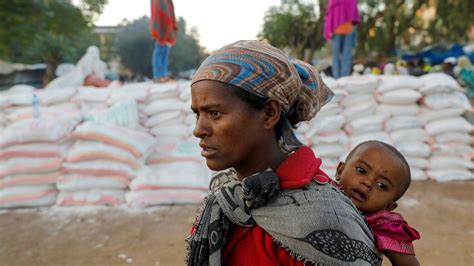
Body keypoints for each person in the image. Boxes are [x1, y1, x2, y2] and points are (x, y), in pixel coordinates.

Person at [186, 40, 382, 265]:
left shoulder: (321, 216)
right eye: (197, 115)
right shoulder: (228, 196)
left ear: (269, 113)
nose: (198, 130)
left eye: (215, 113)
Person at [336, 140, 421, 265]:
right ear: (340, 171)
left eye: (382, 185)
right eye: (361, 170)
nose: (368, 182)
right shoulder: (320, 192)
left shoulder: (382, 224)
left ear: (389, 206)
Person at [324, 0, 360, 79]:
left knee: (345, 54)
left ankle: (344, 76)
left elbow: (354, 12)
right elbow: (330, 13)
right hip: (337, 30)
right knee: (338, 54)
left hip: (347, 30)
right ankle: (338, 77)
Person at [150, 0, 178, 82]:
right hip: (160, 27)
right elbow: (155, 14)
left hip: (167, 28)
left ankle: (164, 75)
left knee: (165, 52)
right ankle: (158, 76)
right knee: (159, 52)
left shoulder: (168, 2)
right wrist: (156, 28)